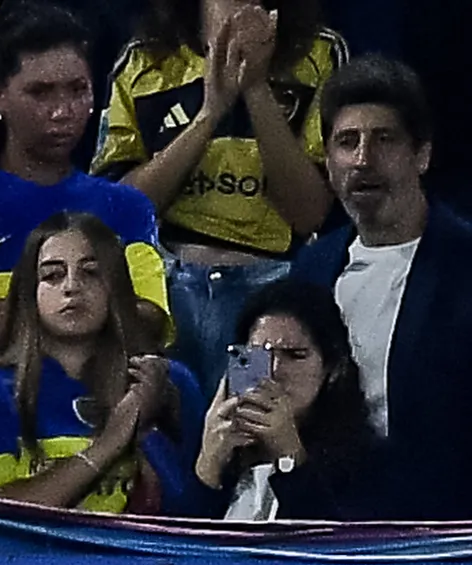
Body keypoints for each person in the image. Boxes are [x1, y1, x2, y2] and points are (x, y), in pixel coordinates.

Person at [0, 9, 171, 385]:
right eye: (40, 92)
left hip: (96, 407)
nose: (62, 110)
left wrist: (2, 314)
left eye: (78, 89)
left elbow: (148, 319)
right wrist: (93, 314)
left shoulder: (125, 206)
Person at [97, 1, 342, 385]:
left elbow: (310, 212)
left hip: (265, 304)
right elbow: (119, 210)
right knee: (167, 433)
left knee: (243, 431)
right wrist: (210, 112)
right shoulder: (144, 57)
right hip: (167, 297)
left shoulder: (319, 53)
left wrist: (256, 88)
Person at [283, 56, 472, 520]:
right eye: (347, 142)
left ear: (421, 155)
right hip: (324, 514)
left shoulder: (464, 263)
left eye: (383, 140)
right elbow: (264, 356)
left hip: (439, 525)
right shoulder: (311, 266)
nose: (363, 159)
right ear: (328, 161)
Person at [0, 216, 193, 513]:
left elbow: (197, 516)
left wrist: (148, 434)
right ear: (29, 293)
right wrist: (114, 439)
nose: (72, 287)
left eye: (91, 273)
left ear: (115, 286)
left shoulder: (169, 381)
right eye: (52, 275)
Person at [192, 277, 384, 518]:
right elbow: (174, 547)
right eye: (259, 355)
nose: (274, 371)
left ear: (334, 368)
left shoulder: (368, 464)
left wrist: (288, 455)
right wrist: (208, 465)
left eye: (295, 355)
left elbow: (328, 545)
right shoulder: (222, 443)